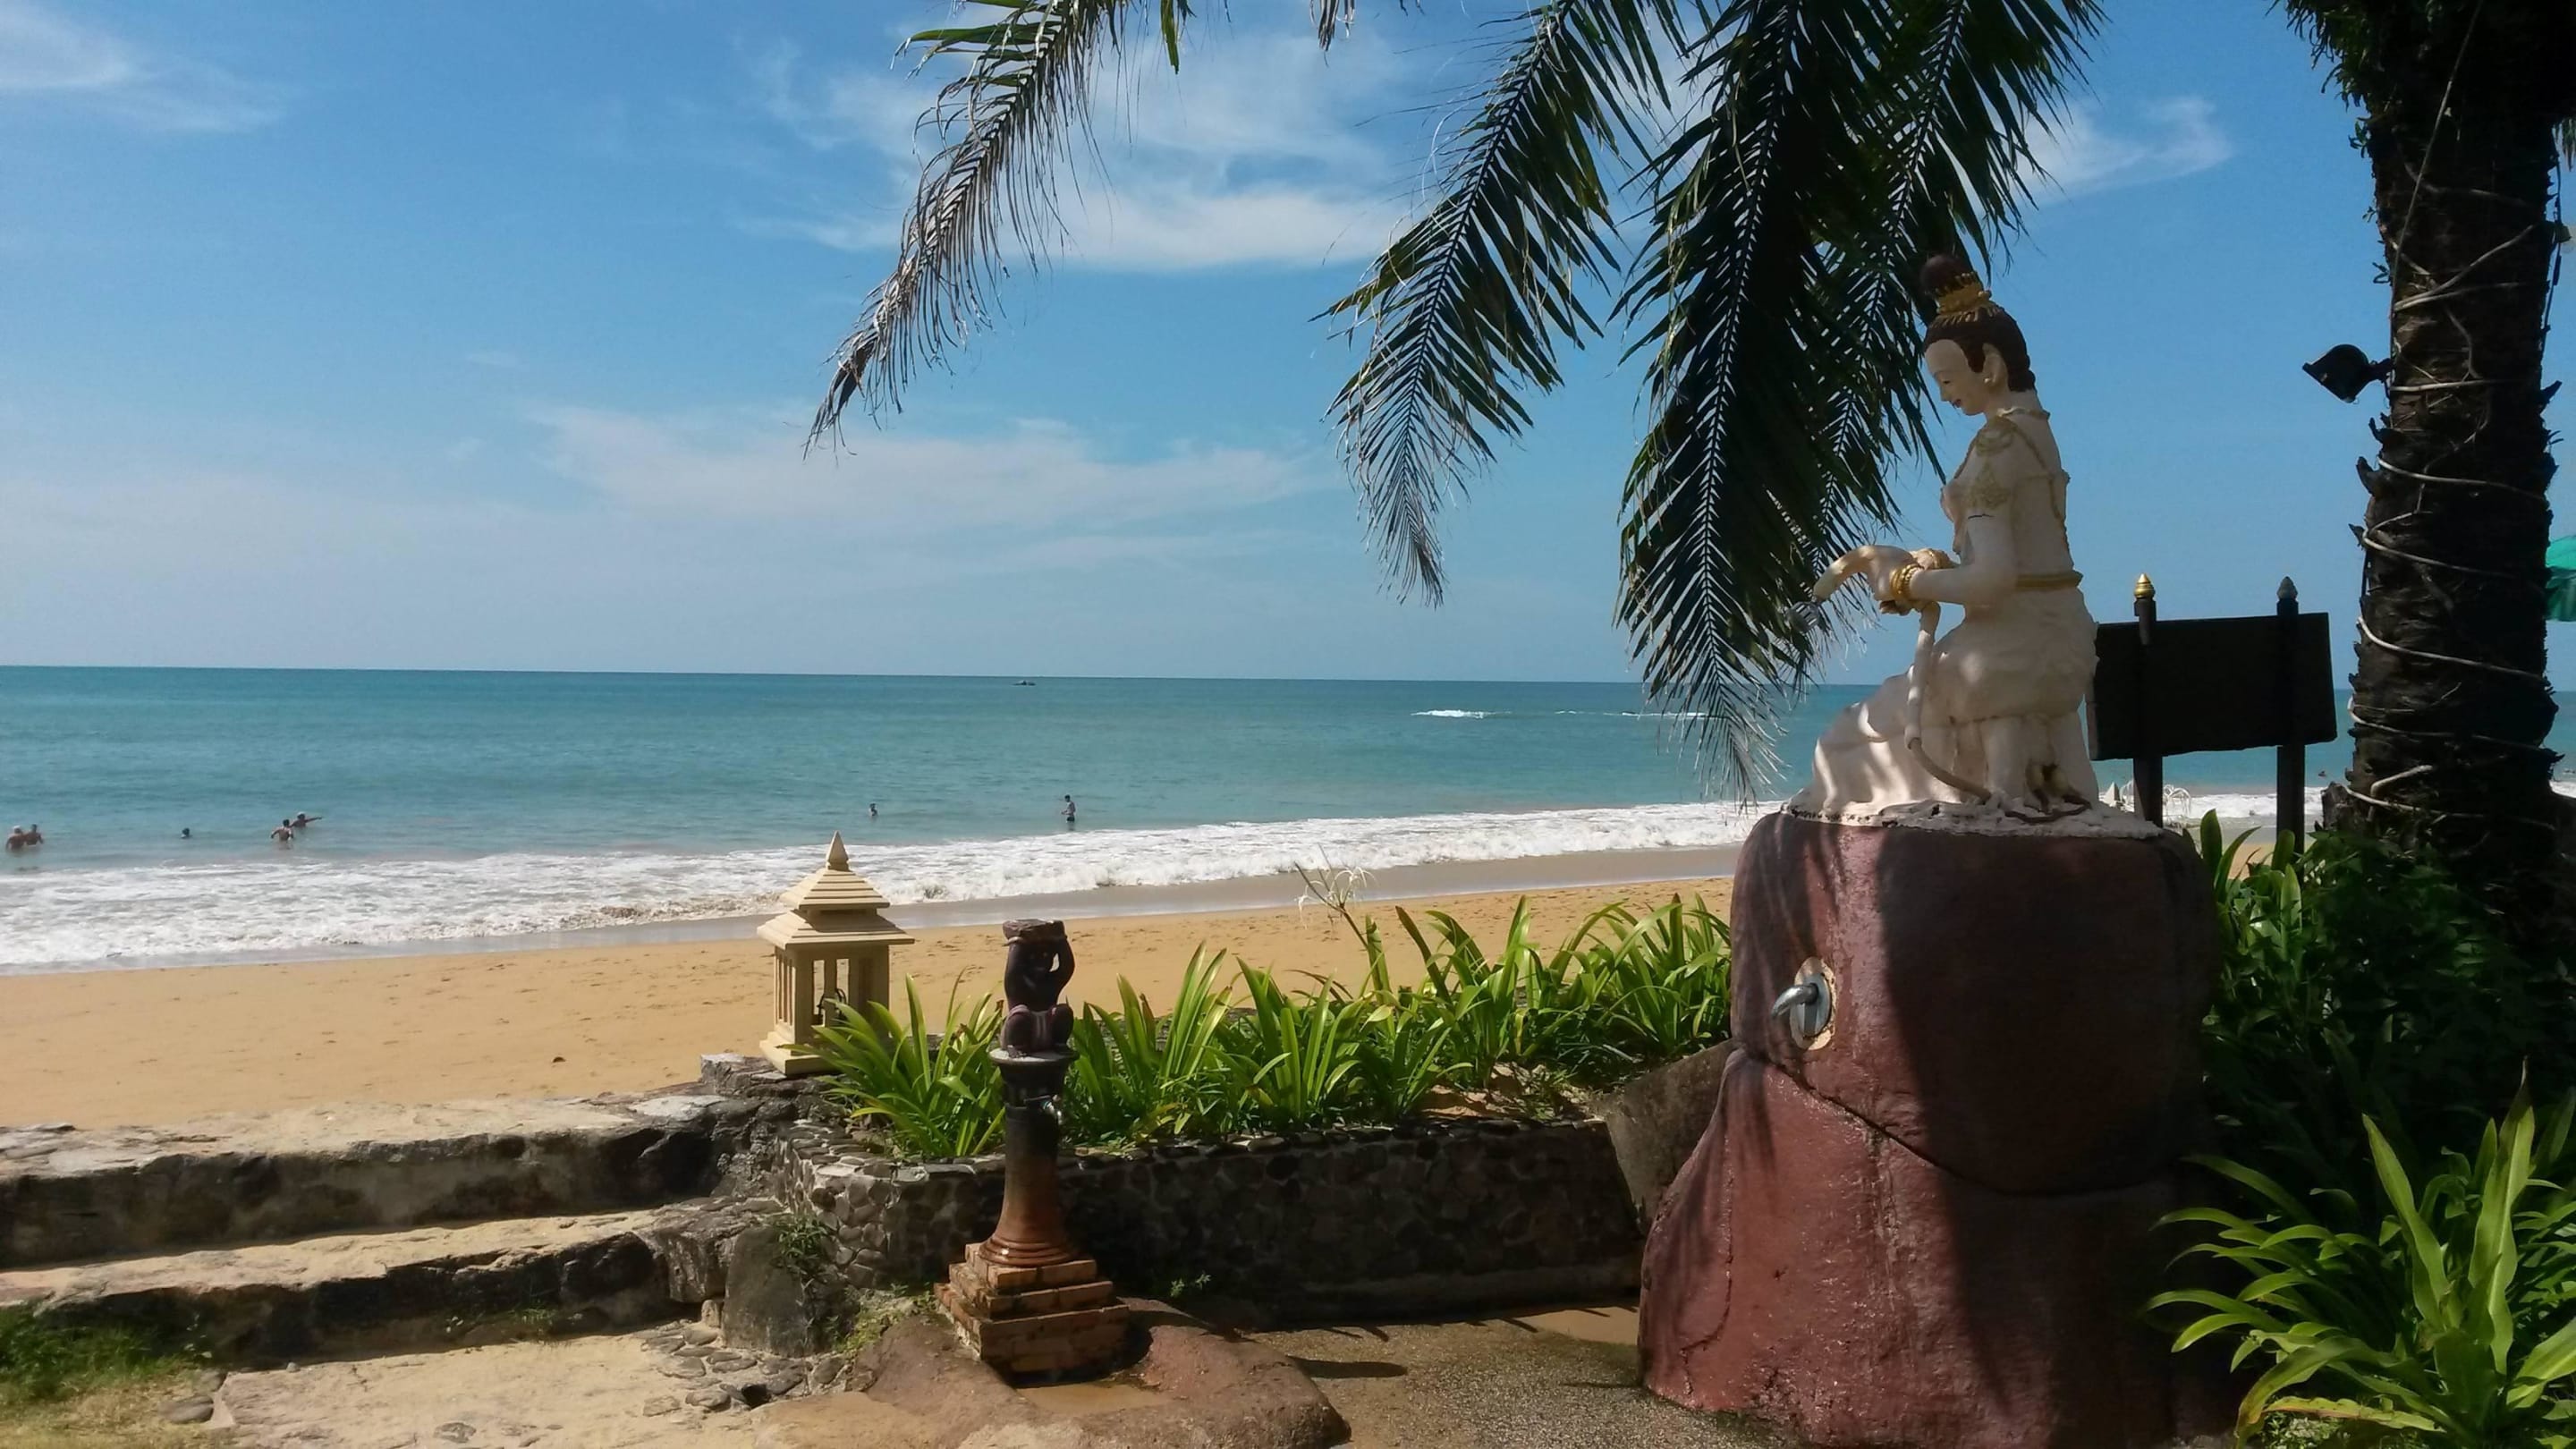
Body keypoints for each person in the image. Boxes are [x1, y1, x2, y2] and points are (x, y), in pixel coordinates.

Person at [1802, 255, 2097, 817]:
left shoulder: (1995, 449)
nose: (1943, 395)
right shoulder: (2039, 434)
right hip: (2066, 647)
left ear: (1990, 367)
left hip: (2004, 657)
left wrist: (1907, 582)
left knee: (1840, 744)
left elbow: (1993, 581)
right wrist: (1938, 567)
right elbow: (2022, 565)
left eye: (1946, 380)